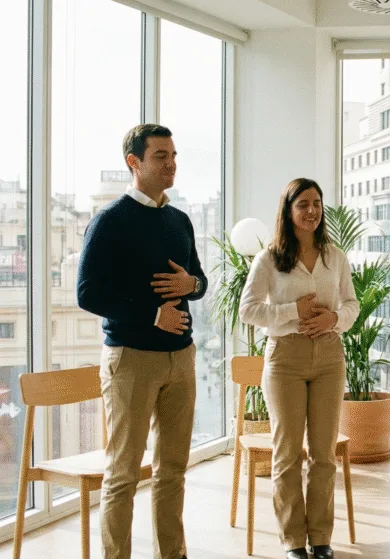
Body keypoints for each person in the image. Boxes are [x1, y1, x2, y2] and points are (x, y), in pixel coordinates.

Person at [77, 124, 207, 559]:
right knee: (123, 474)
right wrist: (153, 314)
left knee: (173, 471)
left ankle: (172, 554)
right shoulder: (110, 221)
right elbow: (88, 293)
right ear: (134, 163)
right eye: (160, 156)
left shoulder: (180, 219)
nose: (171, 164)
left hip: (181, 360)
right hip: (131, 360)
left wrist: (192, 284)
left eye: (173, 155)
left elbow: (200, 282)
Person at [239, 178, 359, 559]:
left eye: (317, 203)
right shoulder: (269, 259)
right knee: (287, 453)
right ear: (288, 211)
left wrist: (334, 319)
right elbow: (248, 310)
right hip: (285, 360)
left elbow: (352, 305)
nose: (312, 211)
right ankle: (293, 541)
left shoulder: (334, 256)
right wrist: (295, 312)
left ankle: (320, 538)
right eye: (303, 204)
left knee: (323, 454)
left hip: (328, 357)